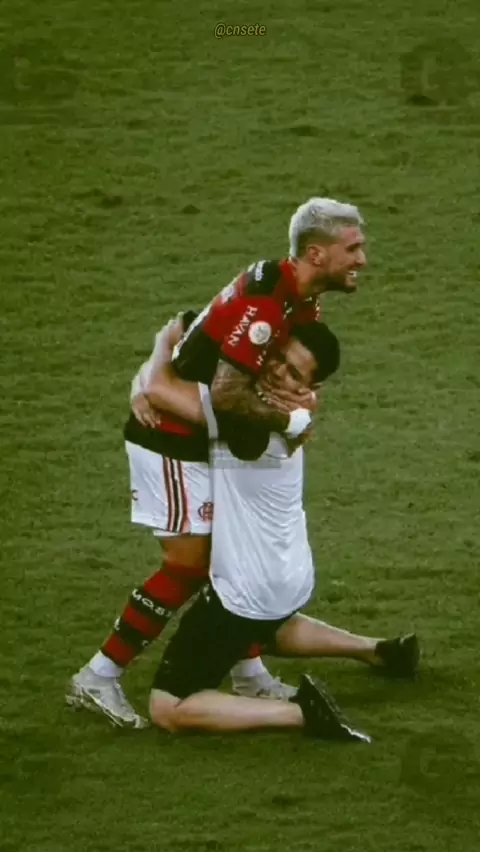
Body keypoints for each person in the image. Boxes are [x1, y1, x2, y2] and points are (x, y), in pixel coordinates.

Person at [67, 197, 368, 727]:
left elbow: (197, 323)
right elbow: (228, 395)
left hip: (200, 435)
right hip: (171, 440)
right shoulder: (271, 304)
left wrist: (153, 370)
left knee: (227, 558)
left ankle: (248, 674)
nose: (362, 259)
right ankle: (99, 676)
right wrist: (288, 421)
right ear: (316, 254)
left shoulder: (292, 298)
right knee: (190, 565)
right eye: (353, 249)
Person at [147, 320, 419, 738]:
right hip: (288, 574)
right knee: (268, 626)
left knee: (168, 707)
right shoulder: (296, 414)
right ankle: (377, 651)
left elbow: (158, 390)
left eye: (293, 373)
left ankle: (301, 714)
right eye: (278, 357)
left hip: (246, 590)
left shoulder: (246, 425)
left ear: (310, 388)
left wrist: (163, 344)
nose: (276, 371)